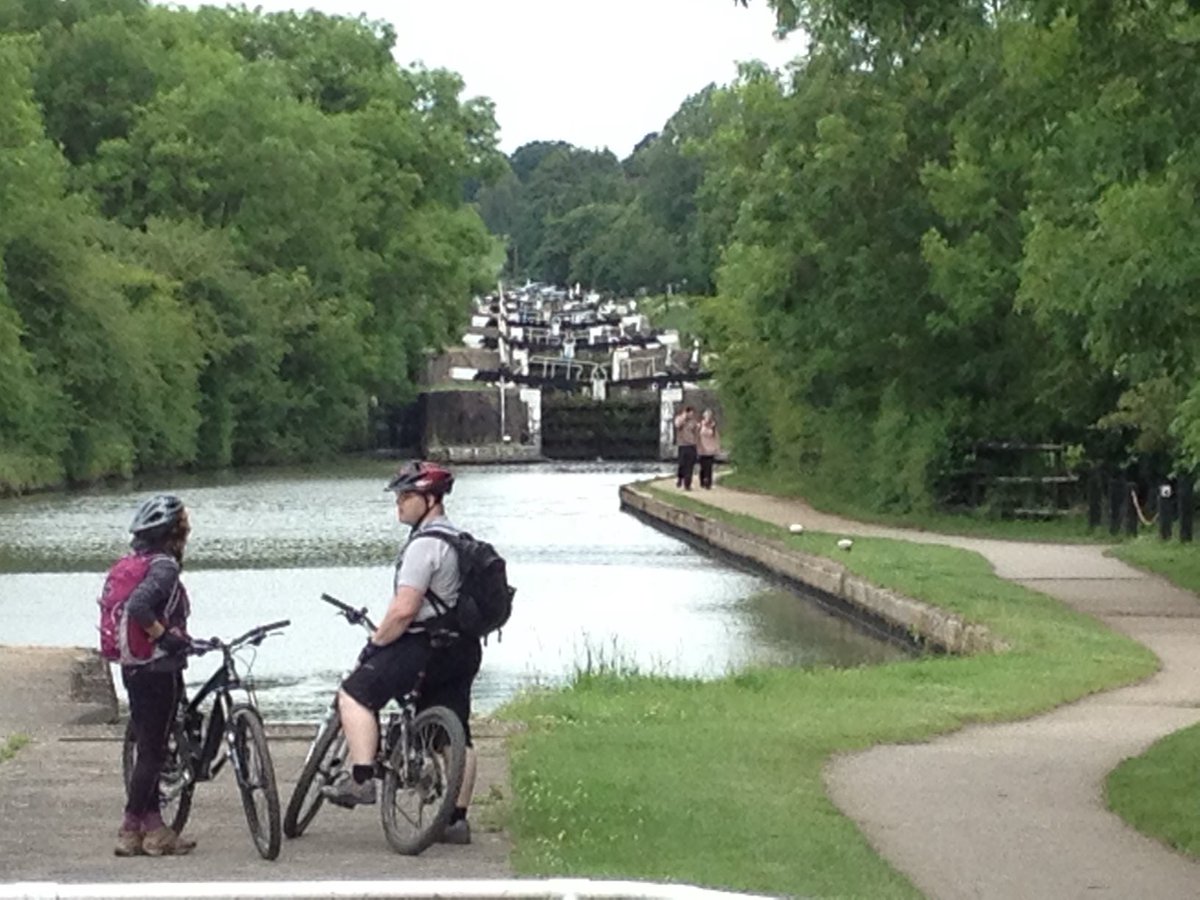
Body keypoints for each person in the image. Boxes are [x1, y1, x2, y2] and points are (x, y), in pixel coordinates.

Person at [321, 461, 482, 845]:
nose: (399, 503)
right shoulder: (461, 541)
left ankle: (361, 779)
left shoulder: (425, 545)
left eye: (406, 496)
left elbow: (404, 609)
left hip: (422, 644)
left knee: (355, 694)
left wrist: (376, 642)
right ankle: (456, 820)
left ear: (430, 500)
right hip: (461, 648)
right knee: (456, 732)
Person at [115, 494, 197, 858]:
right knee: (153, 750)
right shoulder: (164, 566)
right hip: (157, 667)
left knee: (150, 744)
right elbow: (139, 606)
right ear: (173, 532)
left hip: (134, 665)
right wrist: (164, 637)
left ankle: (151, 830)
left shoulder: (139, 560)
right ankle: (131, 825)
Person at [674, 405, 699, 490]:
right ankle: (680, 478)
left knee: (690, 466)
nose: (691, 415)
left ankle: (687, 484)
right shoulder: (679, 419)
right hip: (682, 445)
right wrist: (684, 418)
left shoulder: (693, 422)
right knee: (682, 464)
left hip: (691, 445)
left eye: (693, 414)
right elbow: (677, 425)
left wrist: (697, 444)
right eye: (690, 413)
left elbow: (696, 433)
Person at [698, 409, 721, 490]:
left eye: (709, 416)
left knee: (709, 467)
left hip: (710, 449)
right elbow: (697, 436)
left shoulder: (713, 426)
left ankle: (708, 483)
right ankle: (702, 481)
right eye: (707, 416)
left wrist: (717, 448)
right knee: (703, 467)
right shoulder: (700, 425)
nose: (708, 418)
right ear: (704, 417)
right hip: (701, 449)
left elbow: (716, 438)